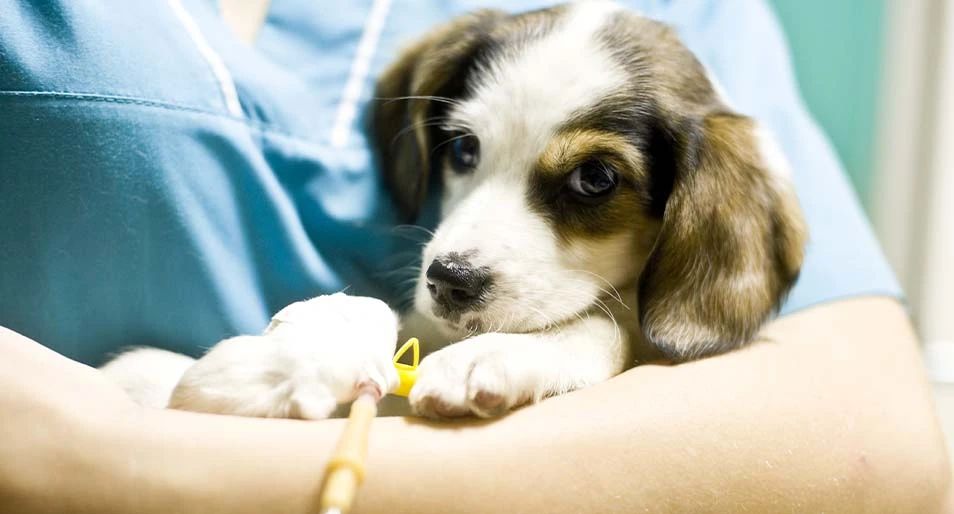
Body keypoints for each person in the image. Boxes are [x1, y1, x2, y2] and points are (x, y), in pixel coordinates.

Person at [0, 0, 949, 512]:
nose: (459, 255)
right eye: (463, 152)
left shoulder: (705, 75)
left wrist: (108, 461)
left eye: (589, 184)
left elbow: (880, 452)